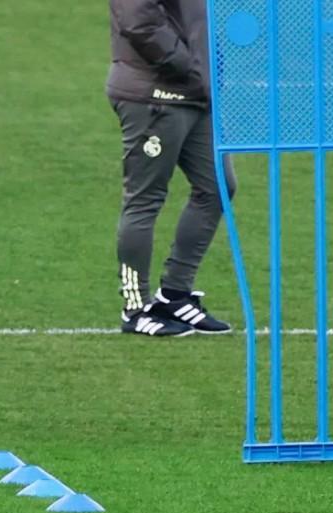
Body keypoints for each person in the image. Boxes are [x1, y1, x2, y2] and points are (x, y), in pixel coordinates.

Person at [107, 0, 237, 337]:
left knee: (218, 185)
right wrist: (190, 65)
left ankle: (175, 295)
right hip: (154, 95)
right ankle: (135, 309)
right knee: (145, 199)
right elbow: (139, 20)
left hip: (195, 93)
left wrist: (211, 67)